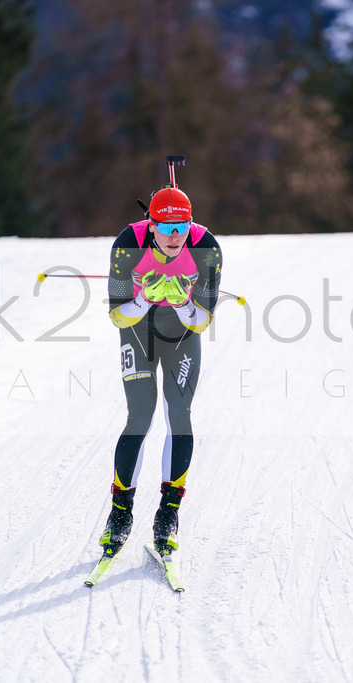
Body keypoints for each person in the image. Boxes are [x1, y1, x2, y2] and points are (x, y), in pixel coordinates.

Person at [100, 183, 222, 558]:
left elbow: (201, 322)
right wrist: (143, 297)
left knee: (180, 416)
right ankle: (120, 513)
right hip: (137, 333)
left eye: (181, 227)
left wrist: (184, 301)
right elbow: (117, 314)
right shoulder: (127, 244)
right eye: (166, 227)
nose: (174, 236)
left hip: (182, 336)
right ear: (150, 224)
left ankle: (168, 513)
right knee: (139, 417)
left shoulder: (206, 248)